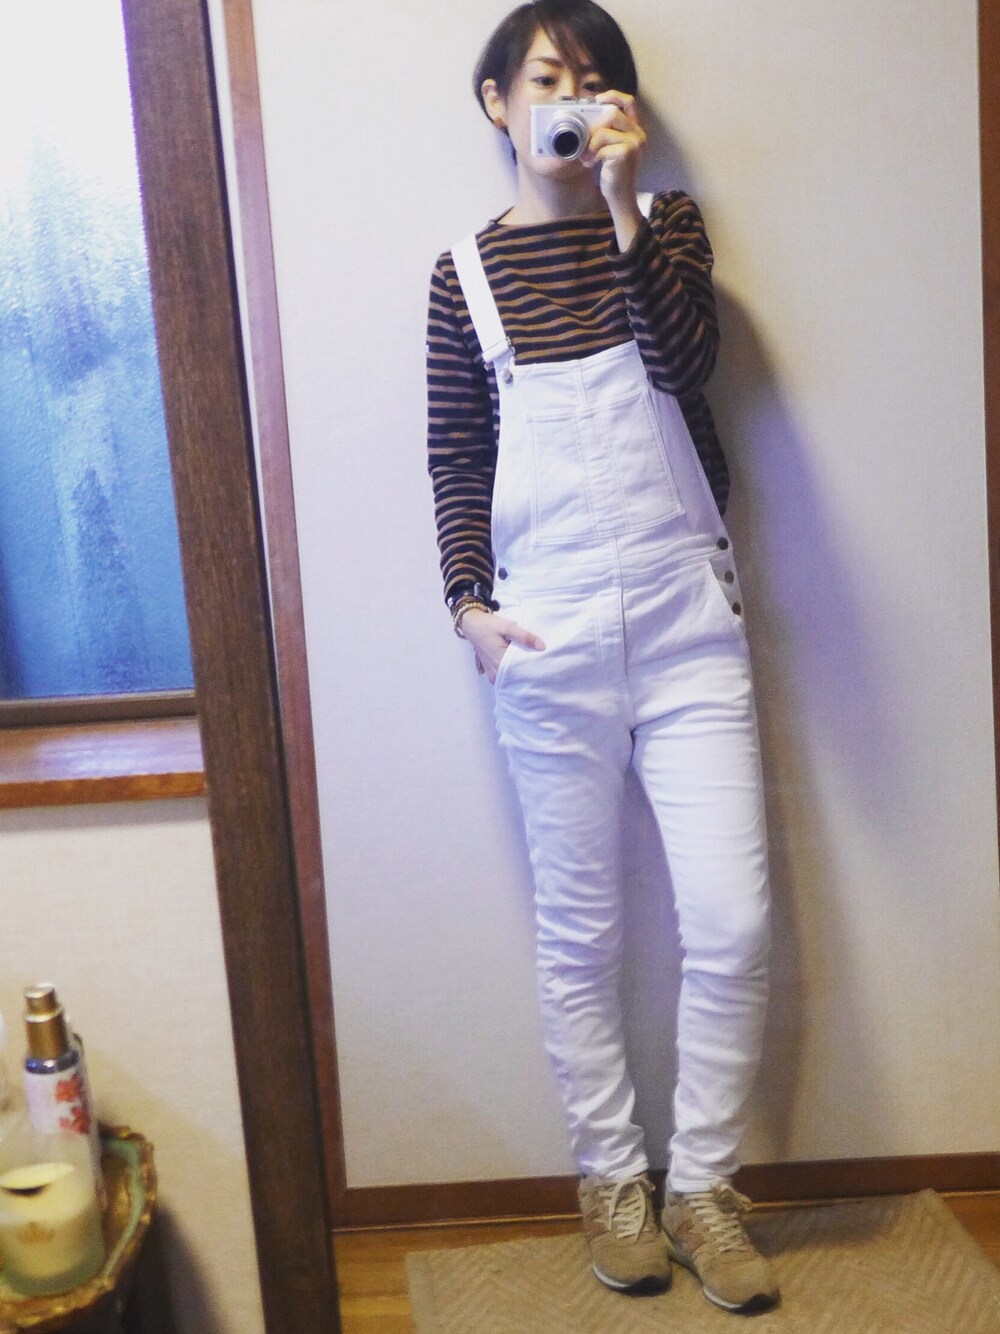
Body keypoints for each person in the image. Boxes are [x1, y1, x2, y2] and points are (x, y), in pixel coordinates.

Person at [426, 0, 777, 1314]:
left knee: (731, 920)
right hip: (547, 632)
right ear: (497, 102)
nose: (564, 102)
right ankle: (614, 1182)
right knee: (579, 934)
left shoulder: (668, 226)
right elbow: (455, 453)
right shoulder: (461, 276)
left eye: (590, 81)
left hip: (690, 623)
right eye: (544, 79)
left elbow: (690, 364)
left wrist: (625, 207)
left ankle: (705, 1188)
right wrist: (468, 605)